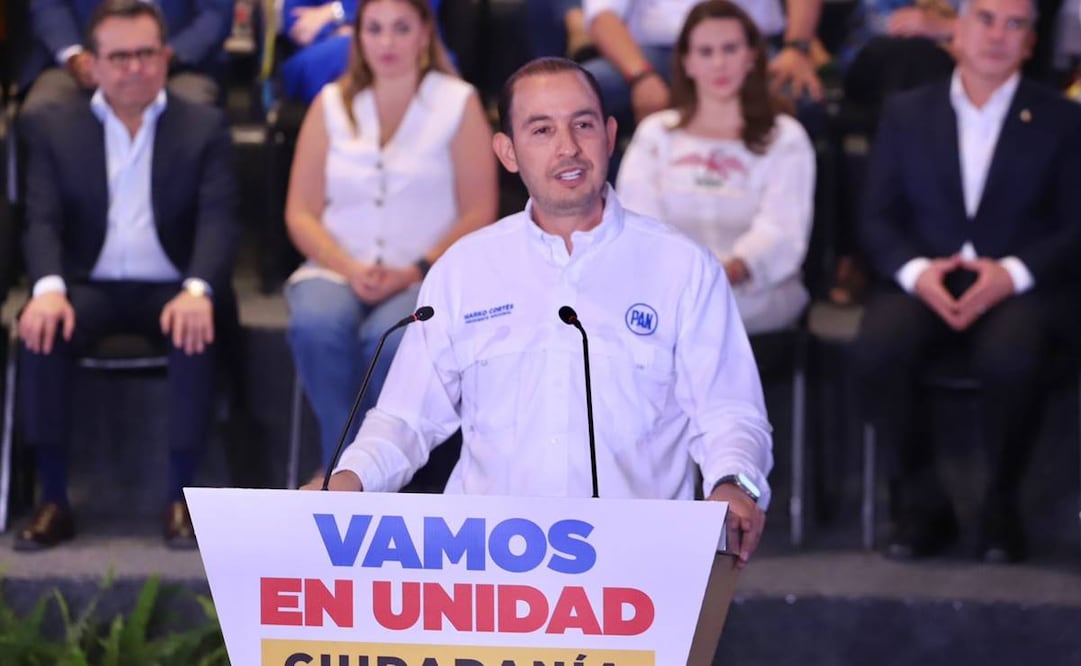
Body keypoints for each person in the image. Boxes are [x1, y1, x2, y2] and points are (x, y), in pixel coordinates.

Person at [311, 57, 774, 569]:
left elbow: (730, 413)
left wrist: (734, 483)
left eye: (583, 124)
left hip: (637, 571)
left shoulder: (682, 268)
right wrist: (345, 481)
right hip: (485, 574)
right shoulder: (465, 268)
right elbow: (405, 419)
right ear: (507, 152)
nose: (568, 148)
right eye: (541, 129)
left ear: (610, 134)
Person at [853, 0, 1081, 563]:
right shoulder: (906, 112)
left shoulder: (1062, 118)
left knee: (1015, 354)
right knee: (878, 347)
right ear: (957, 27)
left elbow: (1075, 223)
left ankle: (1001, 503)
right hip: (925, 279)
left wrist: (1013, 273)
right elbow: (876, 216)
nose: (998, 34)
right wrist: (917, 272)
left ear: (1031, 40)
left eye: (1015, 23)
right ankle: (921, 504)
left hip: (1019, 285)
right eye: (985, 17)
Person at [15, 0, 239, 551]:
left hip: (172, 285)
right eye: (119, 56)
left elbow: (220, 219)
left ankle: (181, 498)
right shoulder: (53, 126)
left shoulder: (204, 124)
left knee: (196, 324)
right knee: (39, 327)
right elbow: (40, 218)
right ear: (93, 62)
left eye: (145, 53)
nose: (133, 67)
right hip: (89, 285)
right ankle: (53, 499)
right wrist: (46, 289)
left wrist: (197, 288)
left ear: (165, 58)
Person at [284, 0, 497, 479]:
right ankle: (343, 471)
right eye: (374, 29)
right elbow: (300, 212)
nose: (387, 42)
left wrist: (416, 269)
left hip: (424, 276)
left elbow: (479, 211)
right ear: (358, 36)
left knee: (390, 339)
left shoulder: (458, 102)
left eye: (401, 29)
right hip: (335, 268)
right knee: (318, 323)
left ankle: (371, 478)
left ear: (425, 34)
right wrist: (349, 267)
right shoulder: (331, 103)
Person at [616, 0, 815, 335]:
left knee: (702, 319)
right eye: (706, 52)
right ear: (687, 62)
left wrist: (732, 270)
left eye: (730, 49)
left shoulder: (784, 137)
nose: (719, 63)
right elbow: (637, 220)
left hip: (757, 290)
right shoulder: (656, 134)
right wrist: (682, 278)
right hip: (668, 288)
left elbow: (782, 229)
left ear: (752, 56)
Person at [582, 0, 825, 125]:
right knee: (583, 96)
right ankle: (603, 214)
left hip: (748, 49)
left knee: (799, 96)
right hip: (657, 54)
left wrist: (796, 48)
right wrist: (640, 76)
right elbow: (602, 15)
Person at [19, 0, 233, 115]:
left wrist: (167, 55)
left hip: (178, 66)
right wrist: (74, 56)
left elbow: (215, 16)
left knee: (193, 110)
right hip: (78, 63)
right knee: (42, 108)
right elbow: (48, 6)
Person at [278, 0, 444, 104]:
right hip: (324, 50)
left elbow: (417, 11)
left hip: (410, 44)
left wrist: (338, 11)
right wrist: (336, 30)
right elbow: (296, 21)